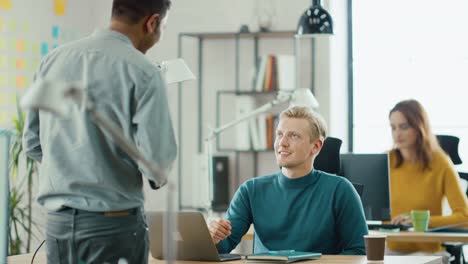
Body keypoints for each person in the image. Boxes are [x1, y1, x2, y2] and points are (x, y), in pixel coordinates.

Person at [22, 0, 176, 263]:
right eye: (162, 27)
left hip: (58, 226)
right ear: (152, 23)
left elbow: (33, 144)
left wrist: (71, 167)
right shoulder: (144, 72)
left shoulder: (54, 60)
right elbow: (157, 166)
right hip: (113, 229)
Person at [209, 106, 368, 255]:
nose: (282, 143)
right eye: (279, 134)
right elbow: (225, 244)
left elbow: (359, 251)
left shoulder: (340, 190)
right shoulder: (250, 190)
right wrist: (214, 238)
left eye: (293, 135)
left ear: (316, 146)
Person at [388, 99, 468, 260]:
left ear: (420, 127)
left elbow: (465, 218)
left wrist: (420, 221)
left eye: (404, 127)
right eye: (393, 127)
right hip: (390, 250)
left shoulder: (441, 163)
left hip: (427, 253)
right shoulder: (386, 161)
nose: (397, 133)